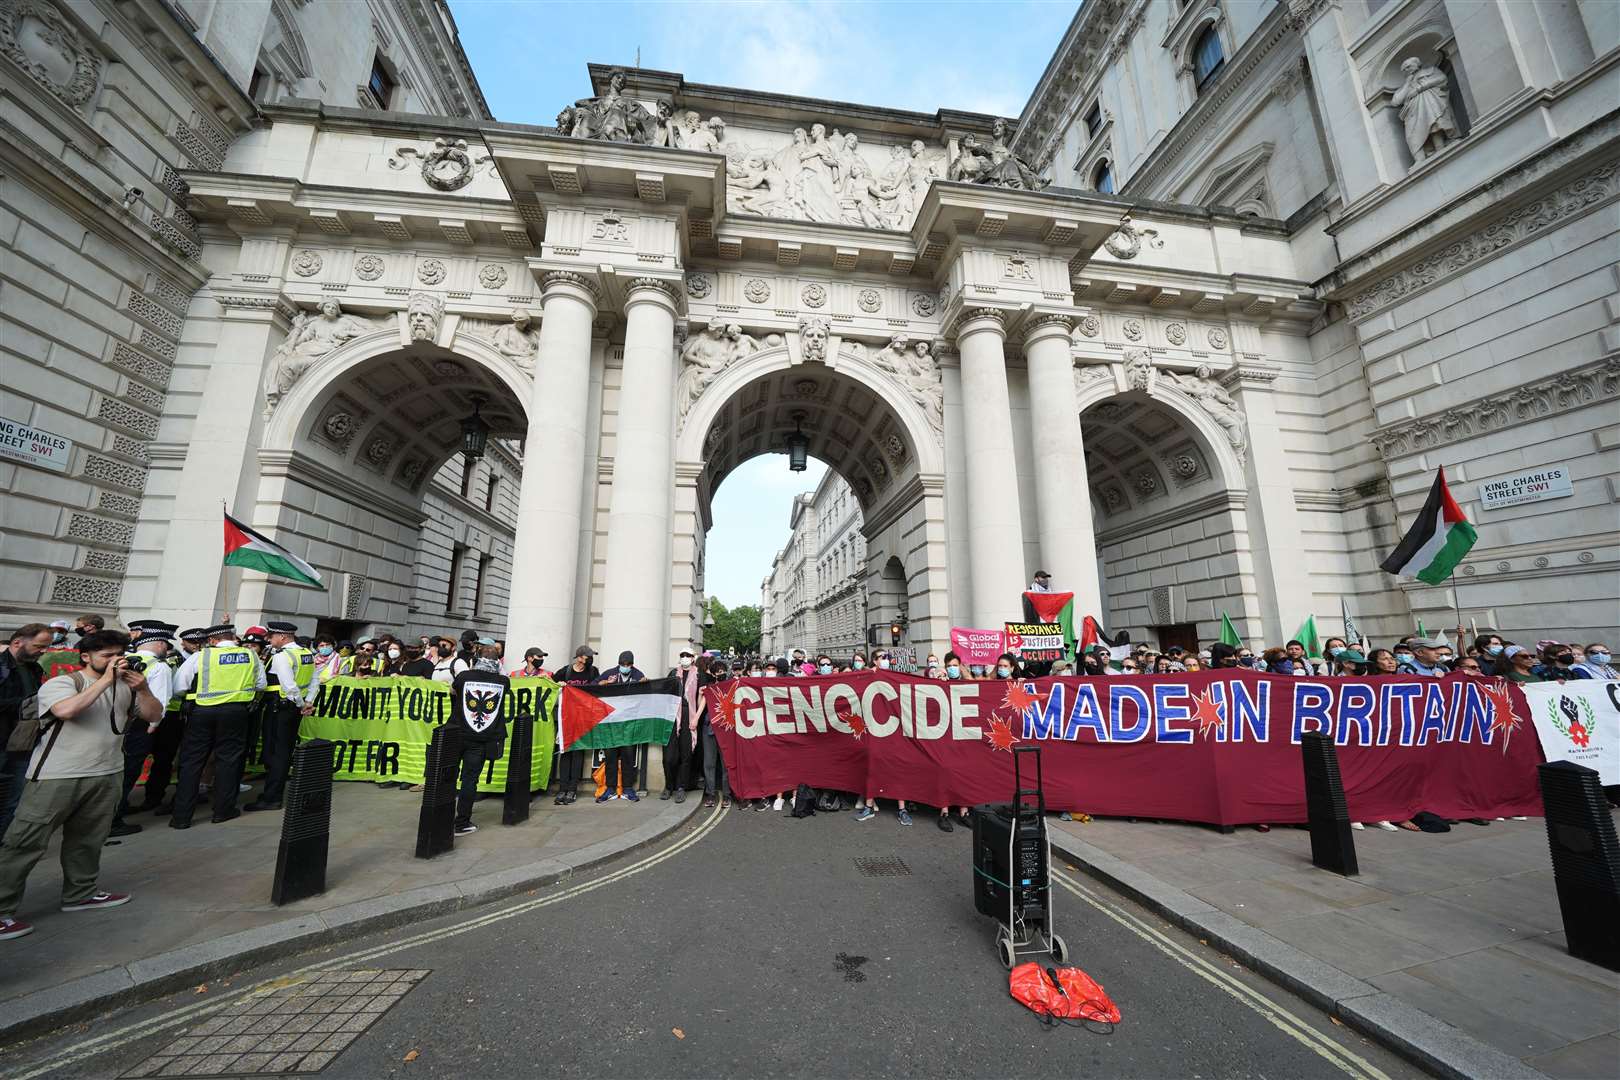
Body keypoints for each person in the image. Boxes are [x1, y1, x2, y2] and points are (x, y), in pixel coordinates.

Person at [0, 630, 161, 941]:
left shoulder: (126, 686)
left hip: (106, 772)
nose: (116, 661)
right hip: (56, 775)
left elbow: (155, 714)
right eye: (107, 656)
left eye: (119, 654)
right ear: (85, 657)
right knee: (25, 842)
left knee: (88, 839)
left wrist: (143, 689)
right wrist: (104, 682)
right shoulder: (63, 683)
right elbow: (66, 711)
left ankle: (81, 893)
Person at [169, 624, 266, 828]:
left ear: (212, 640)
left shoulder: (202, 656)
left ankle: (181, 817)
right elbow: (261, 685)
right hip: (236, 713)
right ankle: (223, 811)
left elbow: (179, 686)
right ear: (232, 637)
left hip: (202, 712)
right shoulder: (251, 656)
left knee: (192, 762)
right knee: (229, 761)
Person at [108, 622, 177, 836]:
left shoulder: (122, 661)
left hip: (115, 721)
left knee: (115, 769)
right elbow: (160, 700)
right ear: (158, 644)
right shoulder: (159, 666)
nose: (166, 648)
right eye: (165, 644)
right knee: (130, 770)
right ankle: (114, 819)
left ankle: (110, 811)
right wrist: (154, 724)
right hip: (140, 724)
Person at [245, 622, 315, 813]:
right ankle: (271, 793)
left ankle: (272, 798)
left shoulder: (283, 657)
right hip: (293, 708)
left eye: (272, 636)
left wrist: (301, 705)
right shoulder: (306, 654)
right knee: (282, 752)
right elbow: (314, 680)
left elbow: (289, 686)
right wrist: (307, 702)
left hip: (280, 708)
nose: (269, 639)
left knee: (276, 754)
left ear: (283, 637)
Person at [0, 624, 54, 840]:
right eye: (39, 646)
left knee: (13, 797)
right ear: (17, 642)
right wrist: (27, 703)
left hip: (23, 742)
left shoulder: (34, 668)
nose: (43, 651)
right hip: (3, 738)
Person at [446, 660, 511, 836]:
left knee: (448, 776)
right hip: (480, 739)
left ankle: (442, 818)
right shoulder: (502, 681)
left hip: (457, 733)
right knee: (469, 780)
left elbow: (453, 691)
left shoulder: (464, 676)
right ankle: (461, 823)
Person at [551, 647, 598, 805]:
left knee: (578, 754)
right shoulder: (566, 671)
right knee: (565, 753)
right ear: (579, 657)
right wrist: (559, 685)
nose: (590, 659)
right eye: (588, 657)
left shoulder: (593, 672)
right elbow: (550, 683)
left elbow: (598, 689)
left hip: (583, 719)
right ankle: (562, 788)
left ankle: (572, 789)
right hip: (566, 718)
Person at [595, 652, 643, 802]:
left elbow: (645, 692)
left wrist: (644, 684)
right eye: (623, 665)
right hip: (611, 723)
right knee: (610, 756)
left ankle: (628, 788)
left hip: (628, 724)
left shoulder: (637, 674)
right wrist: (604, 683)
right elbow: (593, 686)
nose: (626, 667)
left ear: (632, 665)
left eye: (628, 665)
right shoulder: (609, 673)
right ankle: (610, 789)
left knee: (628, 755)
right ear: (619, 664)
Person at [663, 648, 705, 804]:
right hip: (673, 716)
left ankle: (681, 787)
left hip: (690, 715)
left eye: (688, 655)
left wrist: (696, 719)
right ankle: (668, 786)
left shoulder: (699, 675)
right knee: (669, 757)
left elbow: (702, 699)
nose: (685, 658)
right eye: (682, 655)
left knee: (686, 756)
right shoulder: (673, 674)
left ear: (693, 658)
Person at [700, 656, 732, 808]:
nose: (721, 674)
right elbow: (701, 706)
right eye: (718, 672)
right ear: (713, 675)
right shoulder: (708, 689)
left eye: (723, 671)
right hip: (709, 729)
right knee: (709, 762)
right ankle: (711, 794)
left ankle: (726, 794)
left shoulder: (732, 687)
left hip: (726, 729)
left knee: (726, 764)